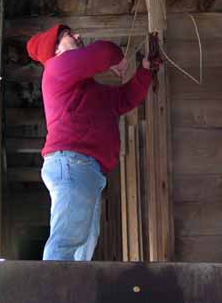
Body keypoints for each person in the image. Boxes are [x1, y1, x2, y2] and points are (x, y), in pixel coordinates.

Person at [27, 24, 159, 261]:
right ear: (56, 49)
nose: (77, 36)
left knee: (82, 250)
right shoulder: (55, 68)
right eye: (69, 35)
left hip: (83, 170)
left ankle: (72, 296)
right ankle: (51, 295)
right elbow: (105, 53)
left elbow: (124, 99)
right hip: (73, 165)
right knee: (67, 243)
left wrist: (145, 70)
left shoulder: (88, 89)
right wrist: (116, 59)